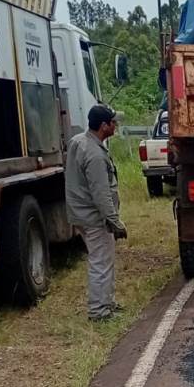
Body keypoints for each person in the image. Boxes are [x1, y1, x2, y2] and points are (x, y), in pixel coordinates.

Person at [65, 104, 128, 321]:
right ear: (103, 126)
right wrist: (115, 222)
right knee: (101, 262)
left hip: (79, 213)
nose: (115, 125)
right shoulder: (95, 156)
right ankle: (99, 311)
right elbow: (101, 194)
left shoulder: (77, 141)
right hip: (94, 217)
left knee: (102, 260)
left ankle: (107, 303)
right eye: (112, 122)